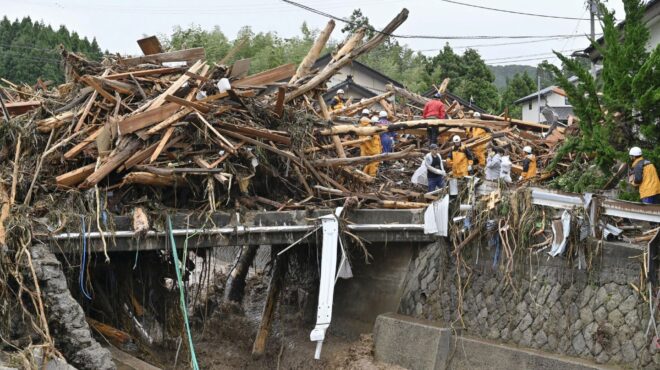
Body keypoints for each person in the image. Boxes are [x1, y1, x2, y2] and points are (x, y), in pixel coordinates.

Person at [359, 109, 381, 176]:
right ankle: (372, 176)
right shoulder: (371, 129)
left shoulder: (361, 125)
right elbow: (374, 140)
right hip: (373, 150)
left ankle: (364, 175)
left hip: (366, 147)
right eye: (377, 123)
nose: (378, 124)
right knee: (373, 164)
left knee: (368, 163)